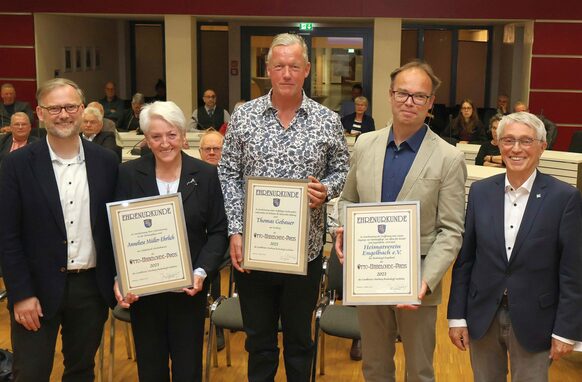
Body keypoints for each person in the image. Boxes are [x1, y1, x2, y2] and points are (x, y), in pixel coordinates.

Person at [219, 33, 349, 381]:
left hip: (302, 254)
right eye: (279, 66)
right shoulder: (244, 117)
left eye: (294, 66)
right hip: (254, 249)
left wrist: (327, 189)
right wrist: (235, 229)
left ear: (306, 69)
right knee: (259, 341)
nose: (287, 73)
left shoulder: (328, 120)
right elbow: (228, 173)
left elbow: (341, 169)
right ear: (268, 70)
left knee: (299, 341)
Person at [334, 60, 467, 382]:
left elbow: (451, 230)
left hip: (417, 284)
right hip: (368, 277)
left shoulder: (449, 158)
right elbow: (348, 200)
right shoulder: (365, 145)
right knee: (375, 365)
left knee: (419, 371)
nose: (410, 102)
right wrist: (345, 229)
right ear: (391, 96)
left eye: (419, 96)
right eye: (403, 93)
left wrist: (424, 280)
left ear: (430, 103)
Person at [447, 112, 582, 382]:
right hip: (482, 315)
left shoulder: (565, 198)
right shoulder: (480, 192)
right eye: (508, 140)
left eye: (526, 141)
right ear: (498, 143)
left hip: (537, 319)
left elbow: (573, 272)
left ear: (542, 147)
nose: (516, 149)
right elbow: (466, 260)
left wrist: (566, 330)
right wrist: (456, 317)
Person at [0, 78, 118, 381]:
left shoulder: (107, 162)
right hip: (35, 290)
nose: (63, 114)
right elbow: (7, 235)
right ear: (40, 112)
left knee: (81, 371)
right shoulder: (17, 164)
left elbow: (116, 226)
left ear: (82, 110)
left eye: (70, 106)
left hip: (90, 288)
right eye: (55, 108)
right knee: (31, 373)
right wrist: (21, 293)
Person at [114, 101, 228, 382]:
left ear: (182, 135)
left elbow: (217, 231)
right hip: (144, 294)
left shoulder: (205, 175)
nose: (165, 143)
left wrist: (201, 272)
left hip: (188, 291)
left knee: (188, 370)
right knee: (150, 369)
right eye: (156, 136)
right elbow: (116, 232)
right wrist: (121, 276)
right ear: (146, 140)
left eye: (171, 134)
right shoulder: (128, 174)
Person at [198, 128, 227, 350]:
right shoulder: (193, 176)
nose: (211, 152)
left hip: (230, 237)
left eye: (216, 148)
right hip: (205, 238)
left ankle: (218, 325)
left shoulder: (232, 176)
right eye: (206, 149)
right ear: (200, 152)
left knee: (212, 261)